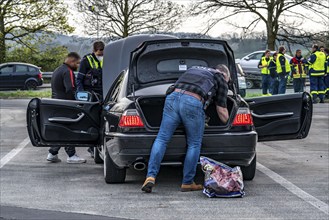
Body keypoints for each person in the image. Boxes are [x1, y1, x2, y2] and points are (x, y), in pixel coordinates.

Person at [141, 64, 230, 193]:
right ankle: (187, 182)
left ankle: (150, 176)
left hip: (172, 98)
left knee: (162, 138)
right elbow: (222, 111)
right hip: (192, 102)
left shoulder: (194, 69)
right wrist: (231, 121)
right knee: (194, 143)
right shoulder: (220, 77)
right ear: (225, 74)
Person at [47, 52, 86, 163]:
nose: (78, 66)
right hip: (65, 105)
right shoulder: (68, 72)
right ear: (71, 61)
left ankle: (52, 153)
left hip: (56, 103)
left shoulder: (57, 70)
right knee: (69, 130)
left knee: (60, 130)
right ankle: (71, 155)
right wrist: (75, 103)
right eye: (77, 63)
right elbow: (70, 89)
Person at [76, 41, 105, 158]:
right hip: (90, 95)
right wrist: (82, 95)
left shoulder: (107, 58)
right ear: (94, 50)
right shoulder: (86, 60)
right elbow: (79, 79)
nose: (101, 55)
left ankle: (97, 147)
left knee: (102, 122)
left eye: (103, 52)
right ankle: (92, 148)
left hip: (103, 94)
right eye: (99, 52)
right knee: (92, 121)